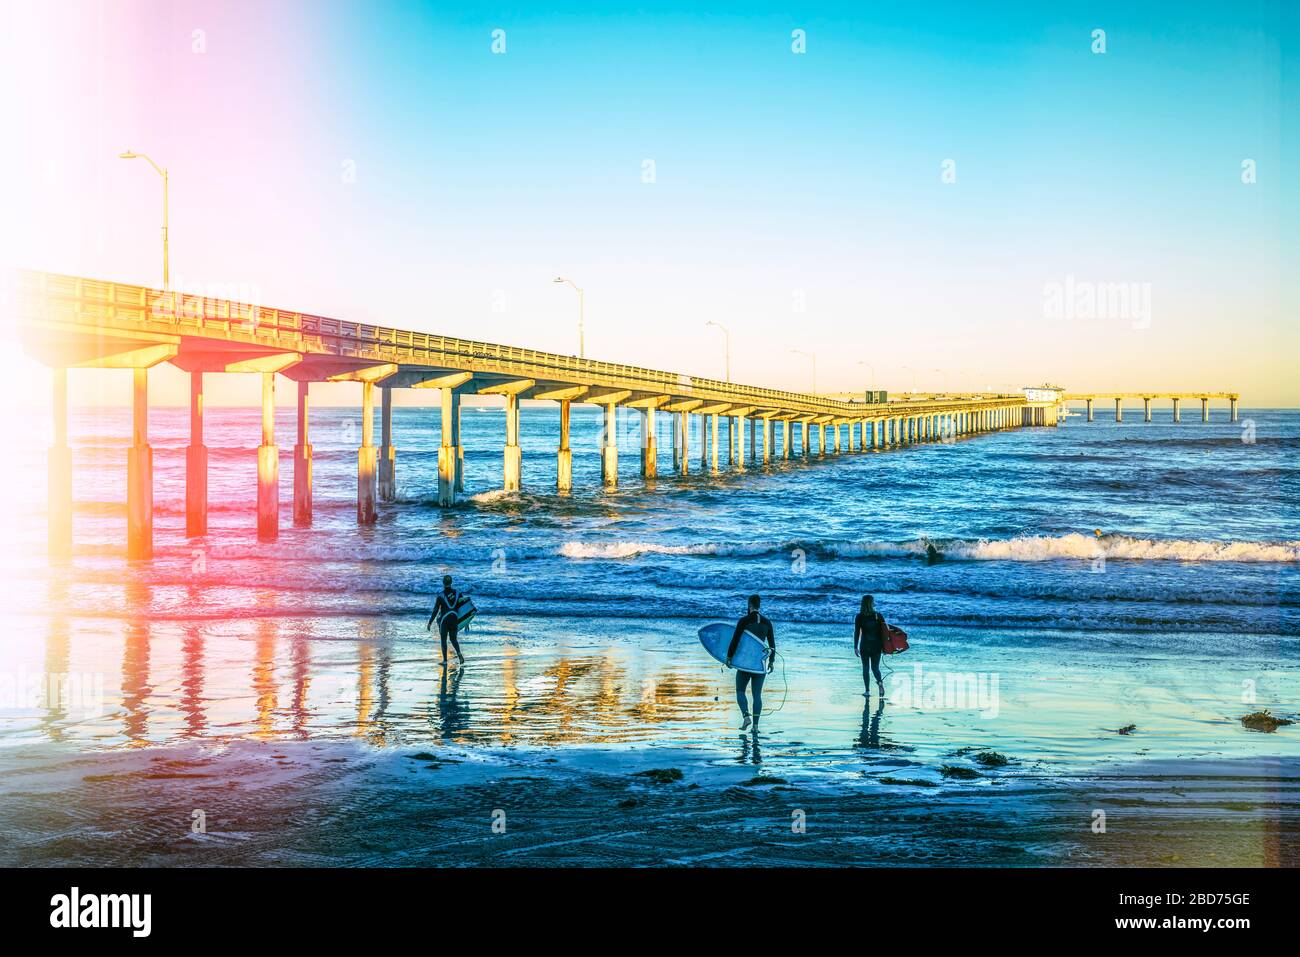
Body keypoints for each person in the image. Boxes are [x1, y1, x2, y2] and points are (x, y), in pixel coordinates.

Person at [726, 594, 776, 732]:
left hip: (745, 663)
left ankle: (746, 717)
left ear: (749, 605)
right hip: (760, 665)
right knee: (757, 696)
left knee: (740, 690)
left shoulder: (744, 621)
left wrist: (729, 657)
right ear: (759, 605)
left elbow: (735, 640)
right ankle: (755, 726)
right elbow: (772, 646)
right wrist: (771, 662)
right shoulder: (767, 623)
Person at [426, 575, 466, 666]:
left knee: (443, 640)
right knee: (453, 639)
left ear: (443, 583)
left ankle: (445, 661)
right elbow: (463, 607)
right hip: (454, 619)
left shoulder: (440, 595)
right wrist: (466, 622)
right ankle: (459, 653)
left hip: (445, 620)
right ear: (451, 582)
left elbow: (436, 610)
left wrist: (430, 622)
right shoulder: (458, 593)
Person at [854, 594, 885, 697]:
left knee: (865, 668)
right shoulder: (878, 615)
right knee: (875, 668)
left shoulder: (859, 616)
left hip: (865, 645)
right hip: (877, 645)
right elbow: (884, 632)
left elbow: (857, 632)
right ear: (871, 603)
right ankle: (880, 684)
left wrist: (855, 646)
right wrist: (885, 647)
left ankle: (867, 691)